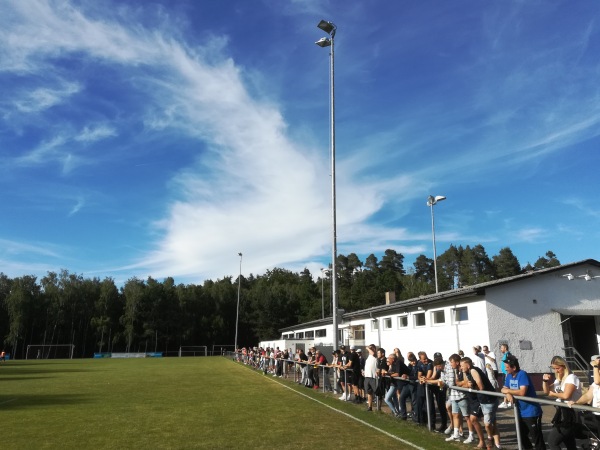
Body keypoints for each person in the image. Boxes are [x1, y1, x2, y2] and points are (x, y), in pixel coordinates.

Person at [501, 354, 545, 450]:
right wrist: (508, 394)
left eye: (507, 367)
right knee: (520, 435)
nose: (505, 369)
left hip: (531, 412)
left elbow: (522, 392)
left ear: (514, 367)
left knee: (536, 437)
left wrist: (508, 391)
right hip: (520, 412)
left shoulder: (522, 374)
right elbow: (503, 389)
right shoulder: (509, 376)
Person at [458, 357, 500, 449]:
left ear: (468, 365)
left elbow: (481, 386)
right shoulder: (467, 372)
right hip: (482, 400)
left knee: (488, 423)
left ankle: (490, 441)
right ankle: (493, 444)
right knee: (489, 422)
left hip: (489, 399)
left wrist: (470, 386)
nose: (460, 368)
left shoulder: (473, 370)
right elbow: (463, 383)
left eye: (462, 366)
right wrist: (468, 385)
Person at [543, 355, 582, 450]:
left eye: (558, 368)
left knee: (552, 442)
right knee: (569, 443)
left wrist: (553, 394)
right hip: (561, 413)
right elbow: (546, 391)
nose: (556, 371)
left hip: (570, 414)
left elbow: (566, 395)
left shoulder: (571, 377)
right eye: (554, 369)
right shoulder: (558, 379)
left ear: (564, 366)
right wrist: (544, 381)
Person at [567, 354, 600, 446]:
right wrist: (576, 402)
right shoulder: (595, 384)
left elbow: (597, 381)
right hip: (597, 415)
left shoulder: (597, 381)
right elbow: (588, 396)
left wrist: (596, 366)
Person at [363, 344, 378, 411]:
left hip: (373, 377)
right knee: (369, 392)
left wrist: (368, 348)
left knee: (376, 392)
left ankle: (378, 406)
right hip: (367, 376)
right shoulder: (369, 357)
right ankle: (370, 406)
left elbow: (373, 353)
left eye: (372, 348)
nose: (370, 349)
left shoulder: (375, 355)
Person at [498, 344, 512, 409]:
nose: (501, 349)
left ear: (505, 348)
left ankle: (505, 402)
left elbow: (509, 364)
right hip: (504, 373)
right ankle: (508, 401)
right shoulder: (505, 355)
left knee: (506, 387)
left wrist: (507, 372)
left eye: (501, 348)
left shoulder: (508, 355)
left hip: (506, 373)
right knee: (506, 386)